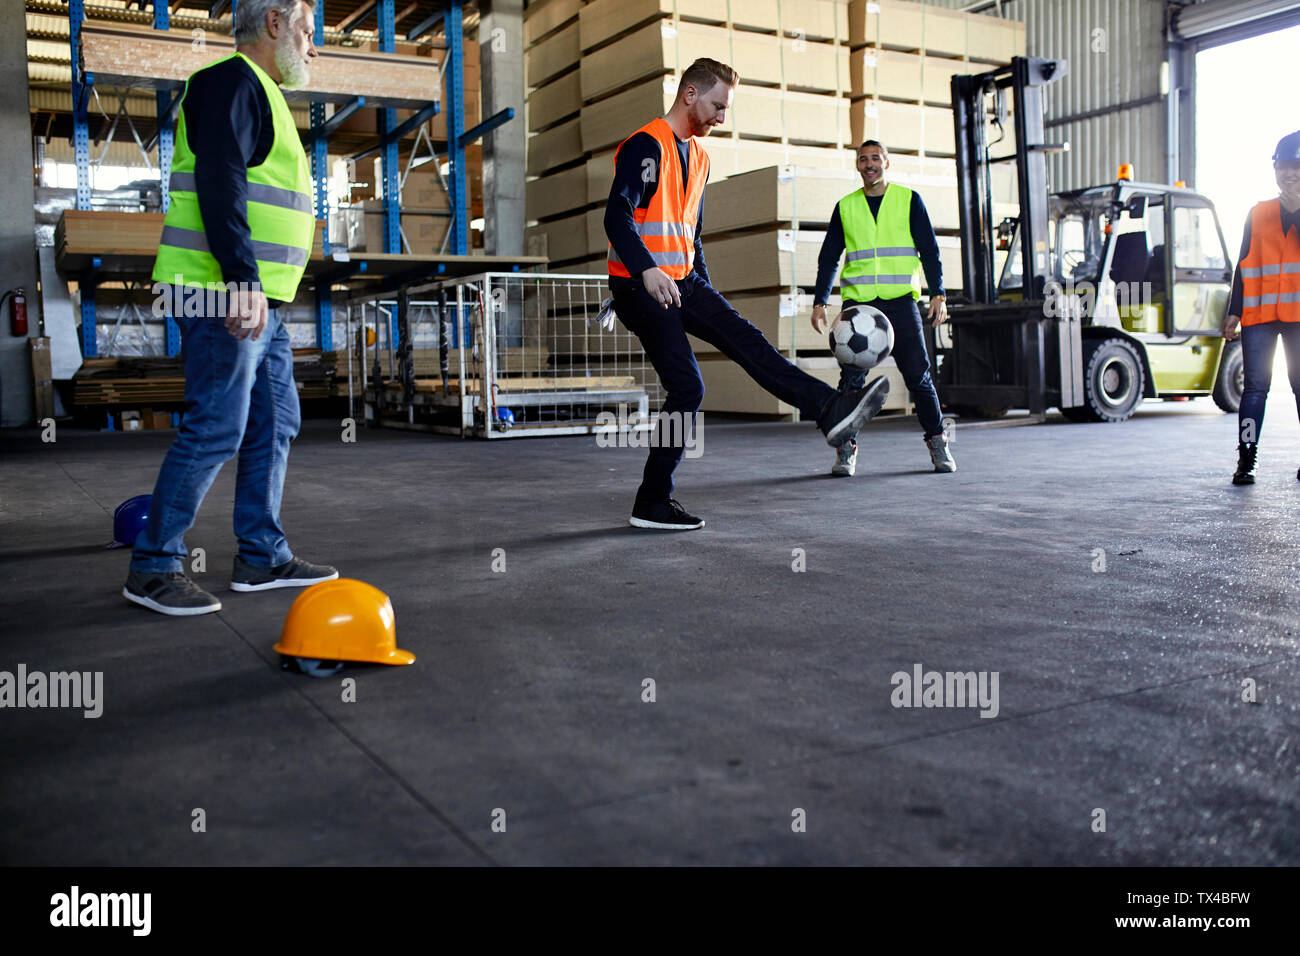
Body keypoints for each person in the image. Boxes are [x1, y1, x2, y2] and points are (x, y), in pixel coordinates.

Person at [604, 58, 890, 530]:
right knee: (688, 387)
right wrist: (648, 270)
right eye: (717, 106)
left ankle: (830, 410)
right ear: (690, 95)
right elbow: (617, 216)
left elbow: (690, 233)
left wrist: (708, 296)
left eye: (726, 108)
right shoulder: (645, 145)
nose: (721, 117)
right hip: (639, 284)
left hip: (684, 280)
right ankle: (651, 501)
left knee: (747, 340)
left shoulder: (700, 158)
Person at [124, 0, 337, 615]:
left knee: (276, 421)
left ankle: (261, 555)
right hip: (221, 290)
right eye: (305, 31)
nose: (312, 46)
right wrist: (243, 279)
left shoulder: (262, 94)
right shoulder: (227, 83)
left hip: (255, 296)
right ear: (274, 23)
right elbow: (222, 179)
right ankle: (153, 564)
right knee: (217, 425)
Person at [810, 140, 954, 477]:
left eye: (876, 158)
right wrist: (819, 301)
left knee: (919, 376)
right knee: (851, 382)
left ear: (886, 163)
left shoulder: (908, 200)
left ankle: (938, 442)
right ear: (857, 166)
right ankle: (846, 450)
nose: (869, 163)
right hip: (859, 306)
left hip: (901, 301)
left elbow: (929, 251)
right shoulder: (846, 206)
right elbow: (829, 258)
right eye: (863, 159)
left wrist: (938, 294)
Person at [1221, 130, 1300, 486]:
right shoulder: (1258, 212)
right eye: (1284, 166)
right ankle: (1246, 459)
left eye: (1297, 166)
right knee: (1254, 388)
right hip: (1260, 316)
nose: (1290, 173)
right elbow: (1244, 263)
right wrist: (1234, 310)